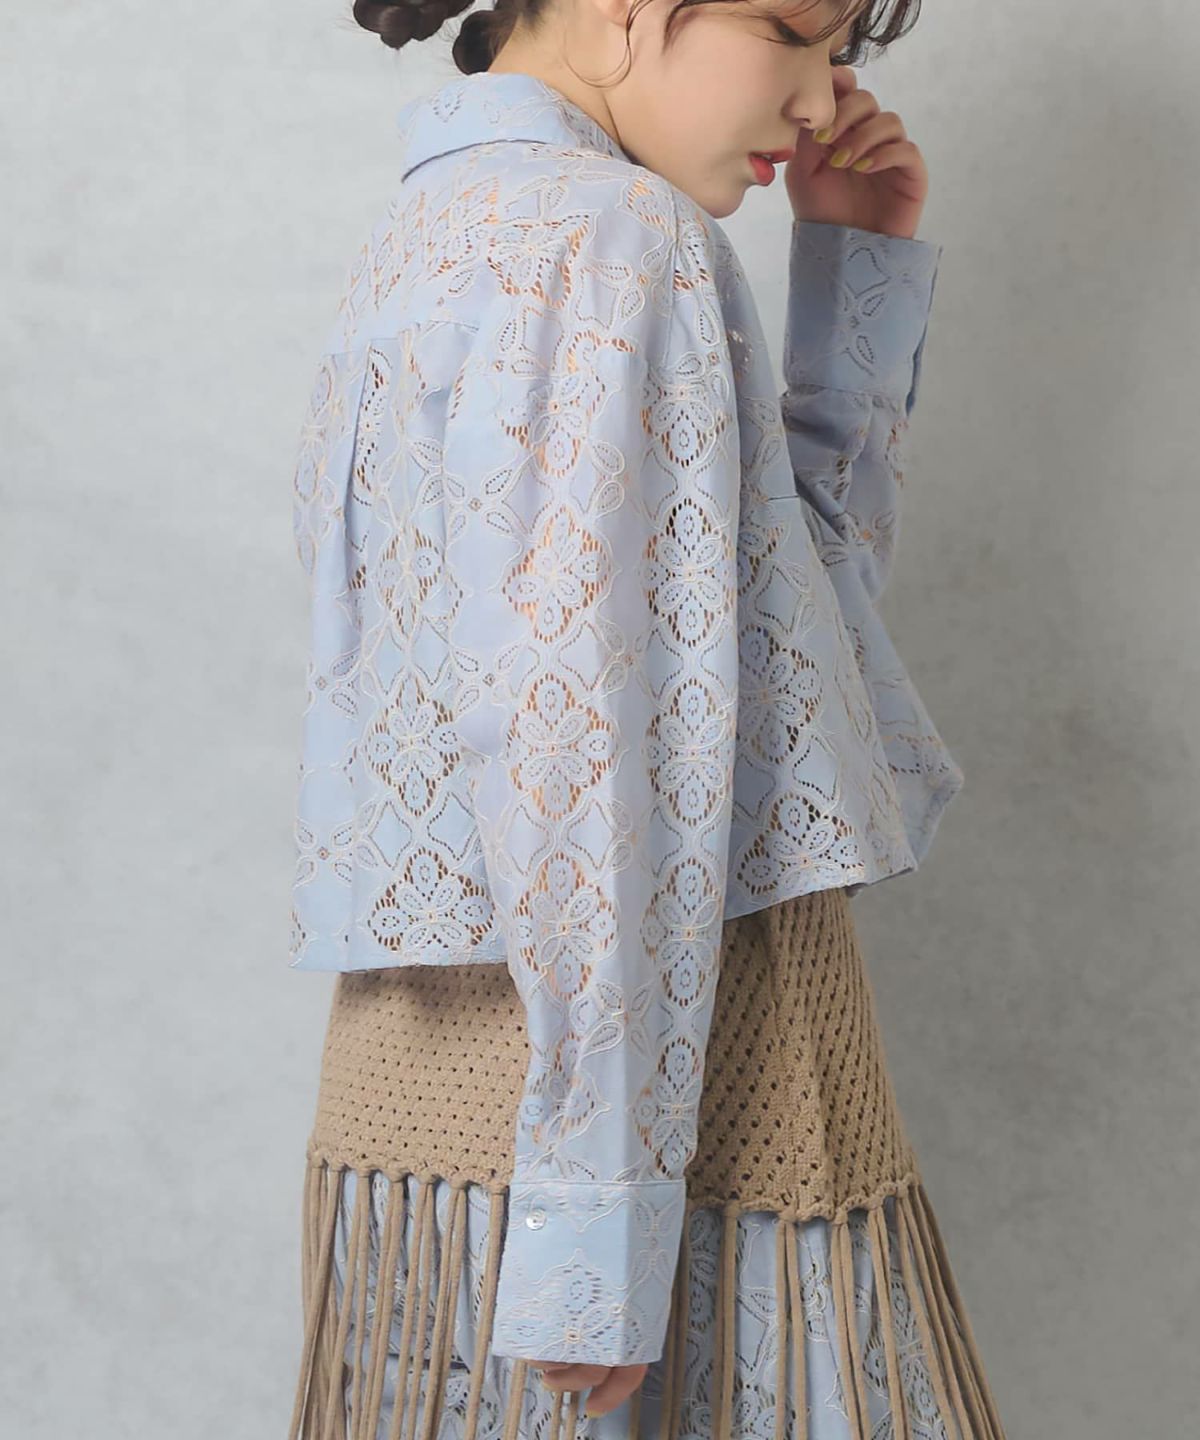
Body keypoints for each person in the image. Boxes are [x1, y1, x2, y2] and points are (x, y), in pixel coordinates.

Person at [285, 1, 1006, 1437]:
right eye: (795, 30)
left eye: (843, 54)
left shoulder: (419, 236)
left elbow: (759, 633)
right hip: (683, 1086)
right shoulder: (617, 235)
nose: (823, 101)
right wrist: (596, 1240)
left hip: (427, 1106)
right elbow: (582, 752)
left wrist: (855, 281)